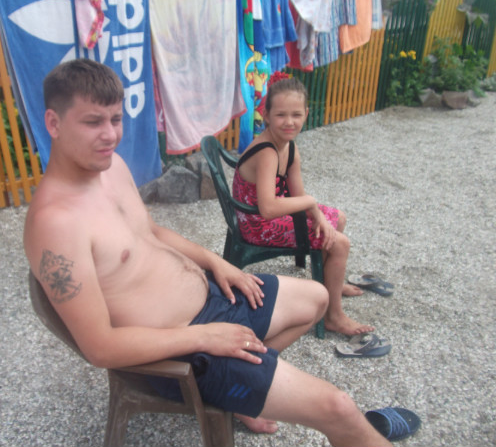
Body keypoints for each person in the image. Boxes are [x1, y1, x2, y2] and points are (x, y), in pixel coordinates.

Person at [24, 58, 396, 446]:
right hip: (184, 352)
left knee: (317, 298)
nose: (110, 135)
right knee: (338, 408)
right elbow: (99, 347)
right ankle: (243, 386)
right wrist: (204, 337)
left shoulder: (111, 167)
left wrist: (217, 263)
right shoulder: (56, 224)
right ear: (54, 123)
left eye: (116, 119)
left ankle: (245, 392)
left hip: (213, 301)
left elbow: (151, 232)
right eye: (92, 122)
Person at [232, 73, 373, 336]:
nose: (289, 122)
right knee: (340, 243)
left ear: (306, 114)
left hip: (272, 217)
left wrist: (317, 215)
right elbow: (268, 208)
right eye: (281, 115)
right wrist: (311, 203)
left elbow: (297, 193)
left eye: (296, 115)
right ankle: (334, 316)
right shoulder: (267, 152)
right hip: (258, 225)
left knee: (338, 219)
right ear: (266, 115)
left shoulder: (289, 147)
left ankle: (331, 282)